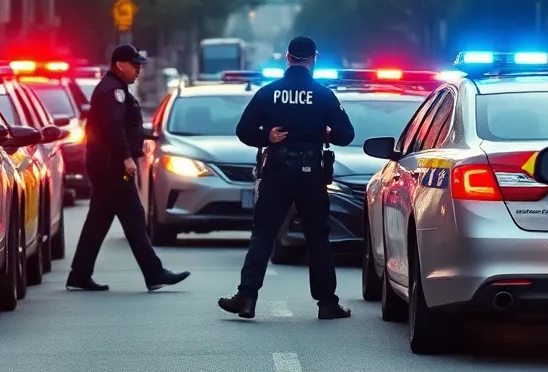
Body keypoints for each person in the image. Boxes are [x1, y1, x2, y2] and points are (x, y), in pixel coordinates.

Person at [218, 36, 354, 320]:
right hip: (311, 175)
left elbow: (243, 130)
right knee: (317, 238)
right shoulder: (323, 94)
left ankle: (247, 298)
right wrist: (326, 133)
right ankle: (327, 303)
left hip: (277, 172)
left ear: (288, 58)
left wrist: (265, 136)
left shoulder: (269, 93)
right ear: (313, 59)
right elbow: (346, 135)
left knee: (264, 234)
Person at [67, 44, 190, 292]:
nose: (138, 71)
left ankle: (79, 274)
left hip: (105, 163)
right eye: (134, 66)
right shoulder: (114, 91)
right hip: (112, 164)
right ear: (119, 65)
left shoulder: (115, 88)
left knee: (98, 220)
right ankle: (154, 273)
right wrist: (126, 156)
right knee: (133, 216)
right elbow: (113, 127)